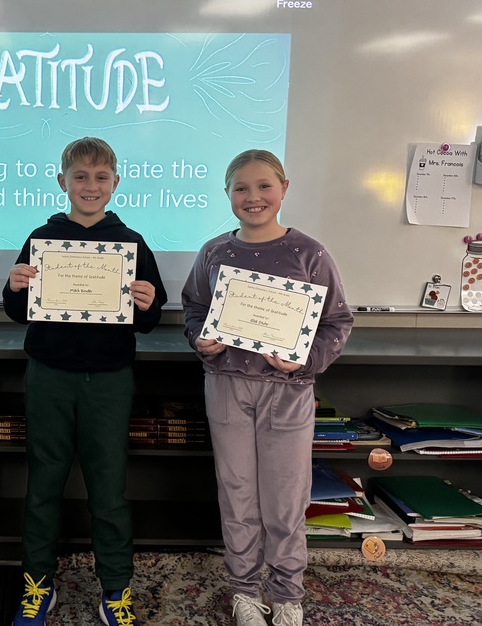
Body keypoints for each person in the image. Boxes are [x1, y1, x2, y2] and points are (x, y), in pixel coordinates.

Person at [181, 149, 353, 626]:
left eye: (263, 186)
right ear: (227, 193)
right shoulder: (215, 252)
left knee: (285, 496)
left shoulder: (309, 253)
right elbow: (194, 308)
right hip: (227, 385)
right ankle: (245, 590)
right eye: (241, 188)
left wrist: (305, 358)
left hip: (288, 392)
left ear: (284, 189)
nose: (252, 197)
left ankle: (286, 593)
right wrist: (203, 342)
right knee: (237, 492)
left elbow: (337, 322)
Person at [2, 137, 167, 626]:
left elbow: (150, 320)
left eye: (100, 178)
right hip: (49, 376)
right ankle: (38, 585)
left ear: (115, 183)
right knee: (43, 485)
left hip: (109, 381)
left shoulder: (132, 243)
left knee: (109, 489)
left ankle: (115, 588)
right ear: (62, 182)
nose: (90, 186)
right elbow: (18, 310)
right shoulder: (42, 238)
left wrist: (147, 302)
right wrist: (13, 287)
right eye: (80, 177)